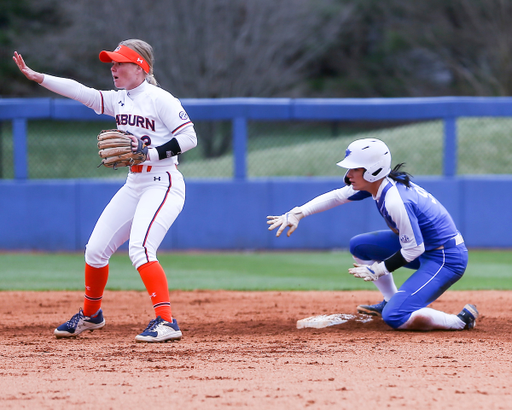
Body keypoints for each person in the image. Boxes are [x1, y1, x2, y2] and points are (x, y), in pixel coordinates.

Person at [13, 39, 197, 342]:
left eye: (119, 62)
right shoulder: (120, 99)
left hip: (163, 182)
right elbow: (81, 92)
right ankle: (91, 316)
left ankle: (166, 322)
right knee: (96, 250)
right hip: (135, 183)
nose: (113, 67)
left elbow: (189, 137)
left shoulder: (160, 98)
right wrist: (39, 77)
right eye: (112, 62)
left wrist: (149, 153)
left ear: (139, 66)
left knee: (140, 249)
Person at [267, 138, 478, 331]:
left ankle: (459, 321)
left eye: (354, 169)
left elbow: (414, 249)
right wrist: (299, 213)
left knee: (396, 316)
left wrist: (379, 269)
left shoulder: (396, 200)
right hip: (425, 248)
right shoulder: (378, 185)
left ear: (373, 171)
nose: (348, 175)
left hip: (445, 258)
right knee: (360, 246)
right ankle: (389, 298)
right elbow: (337, 196)